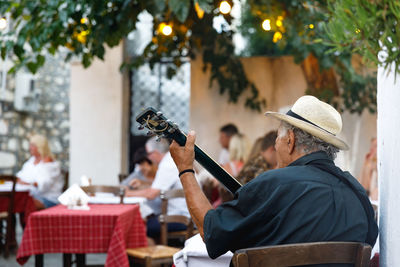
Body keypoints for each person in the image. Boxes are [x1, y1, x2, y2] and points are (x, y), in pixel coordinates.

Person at [170, 95, 378, 260]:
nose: (276, 144)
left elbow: (211, 231)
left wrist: (186, 169)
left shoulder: (274, 183)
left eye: (278, 137)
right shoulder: (358, 193)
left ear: (290, 140)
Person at [125, 136, 190, 242]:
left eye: (148, 154)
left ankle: (152, 255)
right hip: (183, 215)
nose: (149, 158)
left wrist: (127, 193)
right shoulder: (172, 160)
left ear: (154, 153)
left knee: (138, 226)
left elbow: (152, 194)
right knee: (145, 220)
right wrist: (144, 184)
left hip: (179, 218)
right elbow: (159, 187)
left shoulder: (167, 165)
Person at [16, 134, 64, 209]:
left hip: (49, 199)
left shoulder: (48, 162)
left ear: (40, 146)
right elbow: (20, 177)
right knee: (14, 200)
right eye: (30, 145)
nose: (30, 148)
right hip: (33, 196)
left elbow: (44, 184)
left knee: (24, 202)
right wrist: (29, 183)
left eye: (32, 145)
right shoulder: (31, 161)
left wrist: (28, 183)